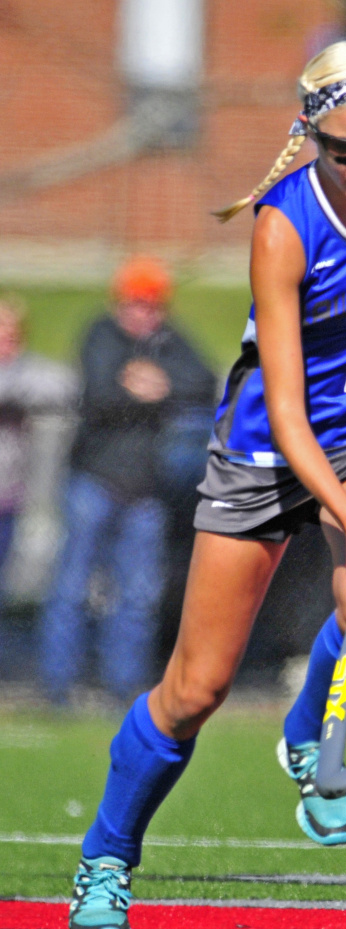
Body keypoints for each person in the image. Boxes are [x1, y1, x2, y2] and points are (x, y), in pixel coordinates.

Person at [67, 35, 346, 929]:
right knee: (195, 688)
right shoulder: (284, 223)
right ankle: (107, 860)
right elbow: (284, 413)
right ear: (309, 134)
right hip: (267, 452)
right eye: (343, 147)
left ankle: (311, 731)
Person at [37, 257, 217, 706]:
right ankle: (57, 687)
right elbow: (99, 394)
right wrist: (151, 395)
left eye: (153, 304)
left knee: (137, 595)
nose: (145, 312)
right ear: (121, 302)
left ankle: (124, 688)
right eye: (137, 303)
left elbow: (205, 383)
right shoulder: (100, 334)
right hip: (92, 482)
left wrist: (159, 386)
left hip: (145, 490)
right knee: (72, 587)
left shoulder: (169, 342)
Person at [0, 297, 77, 603]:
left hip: (7, 493)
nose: (5, 342)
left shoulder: (27, 370)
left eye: (11, 336)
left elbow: (64, 387)